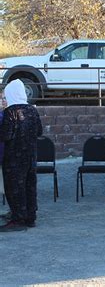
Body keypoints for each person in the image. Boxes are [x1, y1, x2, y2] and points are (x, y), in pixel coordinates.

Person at [0, 79, 42, 232]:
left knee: (14, 188)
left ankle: (18, 219)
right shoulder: (32, 110)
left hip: (14, 159)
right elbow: (40, 131)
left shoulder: (10, 112)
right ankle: (30, 217)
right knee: (29, 186)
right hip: (31, 156)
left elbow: (5, 135)